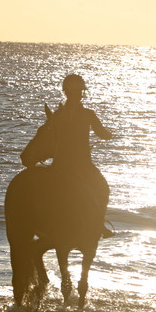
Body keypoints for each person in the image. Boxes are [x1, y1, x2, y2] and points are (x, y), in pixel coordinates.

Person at [49, 74, 114, 237]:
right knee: (103, 189)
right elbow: (102, 133)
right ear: (81, 93)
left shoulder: (57, 115)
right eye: (80, 92)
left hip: (59, 163)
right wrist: (108, 135)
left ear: (65, 92)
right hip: (82, 164)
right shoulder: (88, 114)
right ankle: (100, 226)